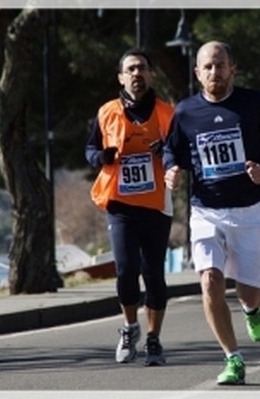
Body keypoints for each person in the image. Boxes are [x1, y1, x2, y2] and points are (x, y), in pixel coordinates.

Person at [162, 41, 260, 385]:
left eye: (220, 65)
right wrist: (171, 169)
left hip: (250, 210)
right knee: (210, 282)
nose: (214, 72)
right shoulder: (186, 111)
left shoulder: (252, 102)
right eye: (207, 66)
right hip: (206, 210)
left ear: (233, 69)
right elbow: (170, 150)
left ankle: (252, 309)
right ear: (197, 73)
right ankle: (232, 358)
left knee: (248, 292)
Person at [85, 49, 174, 366]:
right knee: (125, 271)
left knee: (154, 275)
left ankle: (153, 339)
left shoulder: (167, 114)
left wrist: (167, 150)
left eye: (142, 69)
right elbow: (90, 148)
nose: (137, 74)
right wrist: (100, 158)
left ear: (151, 75)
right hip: (120, 204)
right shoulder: (107, 112)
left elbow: (183, 153)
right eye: (131, 69)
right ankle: (130, 327)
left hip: (156, 204)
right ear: (121, 77)